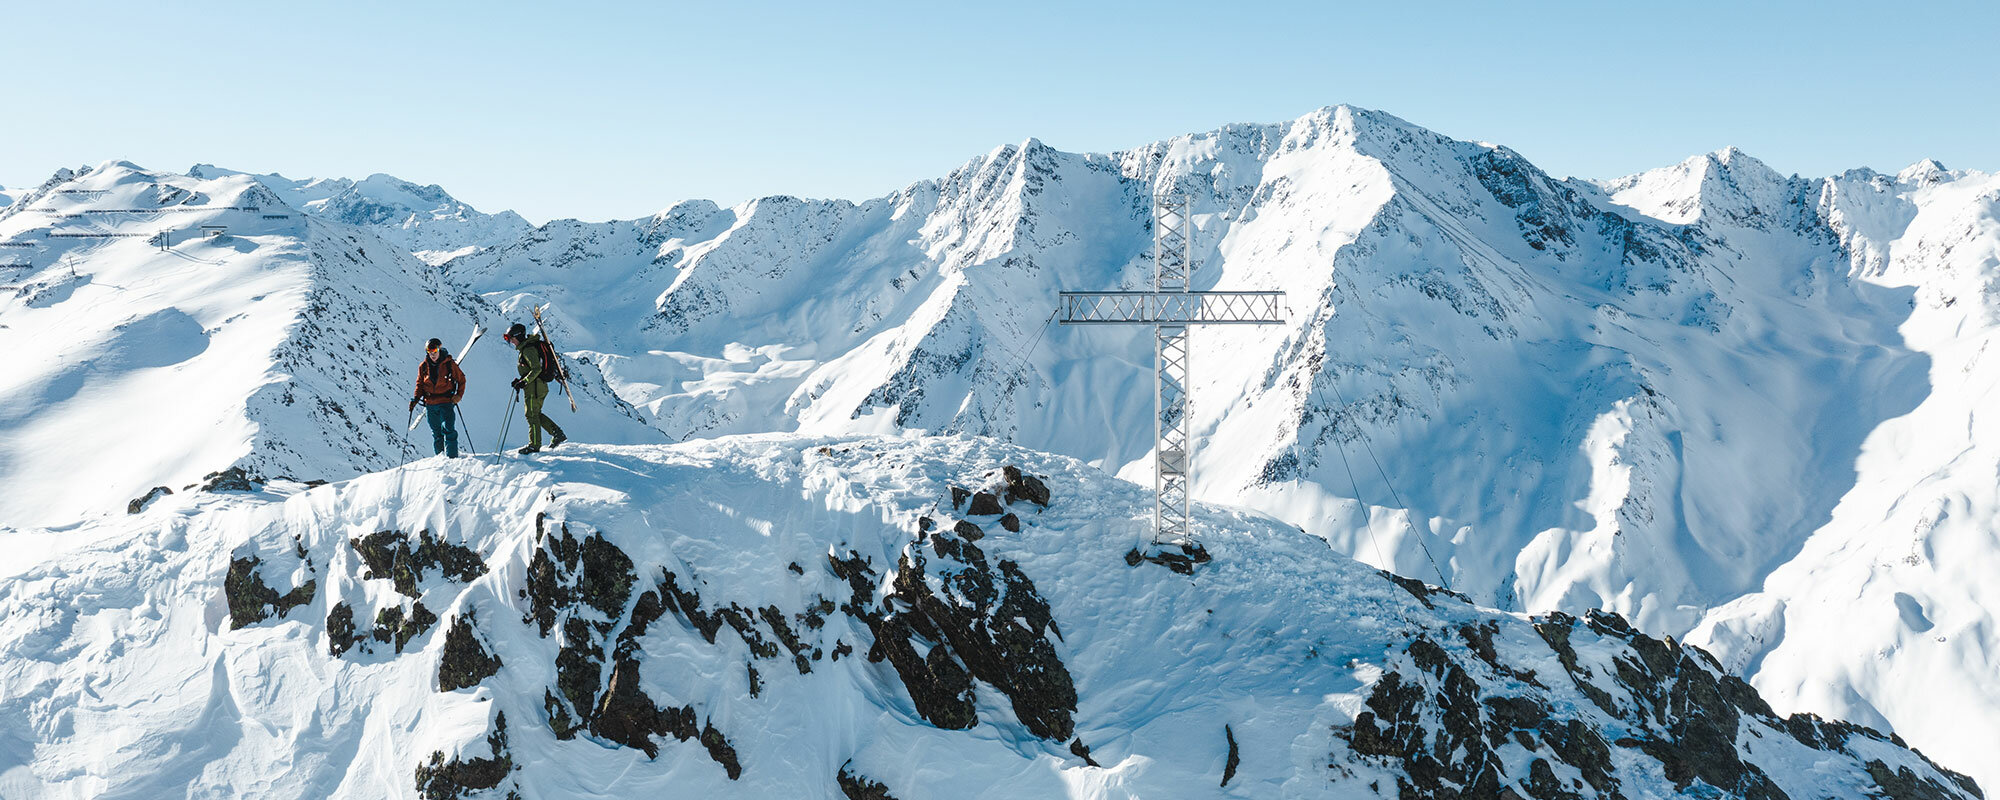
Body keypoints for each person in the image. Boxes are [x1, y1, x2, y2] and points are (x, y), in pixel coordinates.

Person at [503, 322, 566, 454]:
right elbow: (530, 369)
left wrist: (524, 381)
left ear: (518, 336)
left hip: (535, 387)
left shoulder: (528, 350)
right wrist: (520, 380)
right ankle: (556, 433)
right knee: (535, 413)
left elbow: (536, 369)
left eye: (511, 338)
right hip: (536, 386)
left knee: (531, 415)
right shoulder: (526, 348)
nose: (510, 341)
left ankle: (535, 445)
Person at [409, 338, 466, 458]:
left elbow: (461, 379)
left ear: (439, 349)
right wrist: (415, 399)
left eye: (434, 351)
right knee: (436, 433)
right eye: (429, 352)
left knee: (449, 430)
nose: (432, 354)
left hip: (446, 402)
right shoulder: (423, 366)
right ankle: (440, 459)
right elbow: (420, 384)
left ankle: (452, 459)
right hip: (430, 404)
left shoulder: (449, 364)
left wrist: (459, 395)